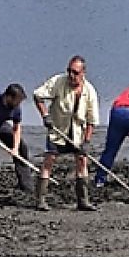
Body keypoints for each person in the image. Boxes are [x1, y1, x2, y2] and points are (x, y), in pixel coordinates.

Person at [33, 56, 99, 212]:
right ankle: (40, 200)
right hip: (58, 129)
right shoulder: (58, 82)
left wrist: (87, 142)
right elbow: (37, 96)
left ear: (83, 73)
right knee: (49, 160)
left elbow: (92, 120)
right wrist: (45, 116)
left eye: (75, 72)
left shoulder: (90, 91)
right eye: (69, 71)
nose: (71, 75)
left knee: (82, 161)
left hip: (77, 132)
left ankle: (83, 201)